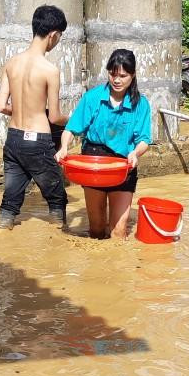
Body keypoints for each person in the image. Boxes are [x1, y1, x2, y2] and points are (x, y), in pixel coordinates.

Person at [56, 49, 153, 239]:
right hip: (94, 162)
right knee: (97, 228)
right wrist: (64, 147)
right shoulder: (93, 98)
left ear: (132, 76)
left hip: (123, 164)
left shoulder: (140, 104)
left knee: (119, 230)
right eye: (112, 74)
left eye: (123, 76)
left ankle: (118, 266)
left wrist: (135, 153)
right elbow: (71, 128)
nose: (117, 80)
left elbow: (144, 139)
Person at [0, 5, 70, 230]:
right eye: (59, 38)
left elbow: (1, 106)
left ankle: (0, 237)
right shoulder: (49, 70)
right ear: (53, 35)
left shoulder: (11, 63)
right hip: (38, 142)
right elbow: (55, 117)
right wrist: (74, 121)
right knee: (57, 199)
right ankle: (57, 244)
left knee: (10, 202)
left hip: (13, 139)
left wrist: (21, 111)